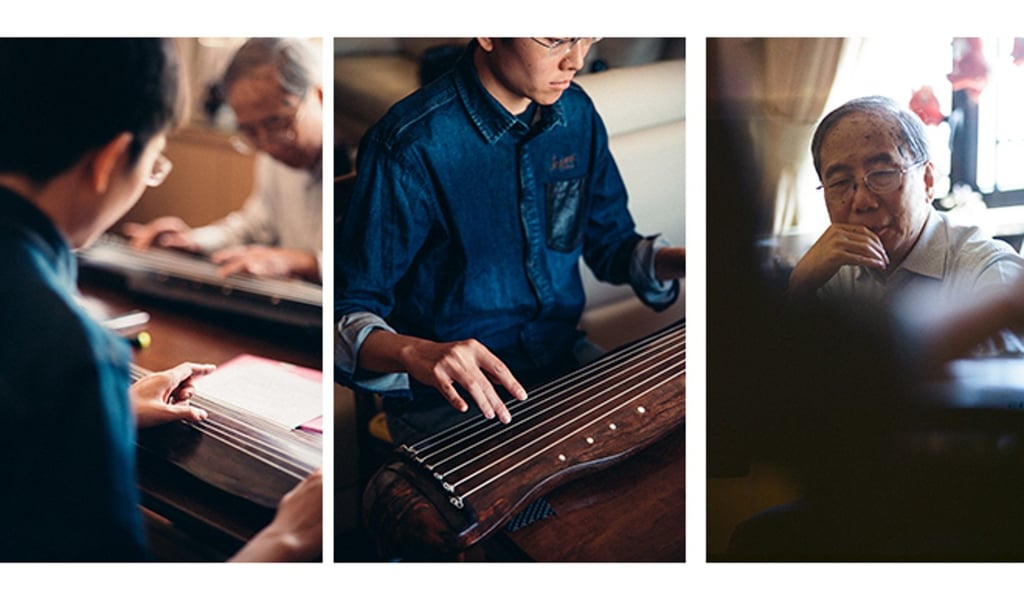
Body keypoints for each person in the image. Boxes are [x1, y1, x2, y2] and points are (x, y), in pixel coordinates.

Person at [0, 38, 321, 562]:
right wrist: (286, 541)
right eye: (154, 162)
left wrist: (112, 408)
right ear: (109, 159)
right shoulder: (72, 354)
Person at [335, 38, 685, 444]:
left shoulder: (577, 114)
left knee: (668, 459)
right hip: (455, 400)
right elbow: (347, 313)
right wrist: (417, 353)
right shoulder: (410, 144)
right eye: (556, 40)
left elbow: (613, 246)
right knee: (542, 508)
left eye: (588, 36)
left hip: (562, 362)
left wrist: (679, 261)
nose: (576, 60)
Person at [787, 96, 1024, 309]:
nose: (862, 201)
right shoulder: (832, 271)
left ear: (928, 181)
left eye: (882, 174)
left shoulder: (991, 273)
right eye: (840, 182)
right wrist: (798, 286)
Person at [125, 37, 323, 282]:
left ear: (320, 97)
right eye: (249, 131)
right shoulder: (272, 149)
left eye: (276, 122)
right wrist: (193, 241)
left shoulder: (363, 159)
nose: (267, 145)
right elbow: (256, 226)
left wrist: (303, 262)